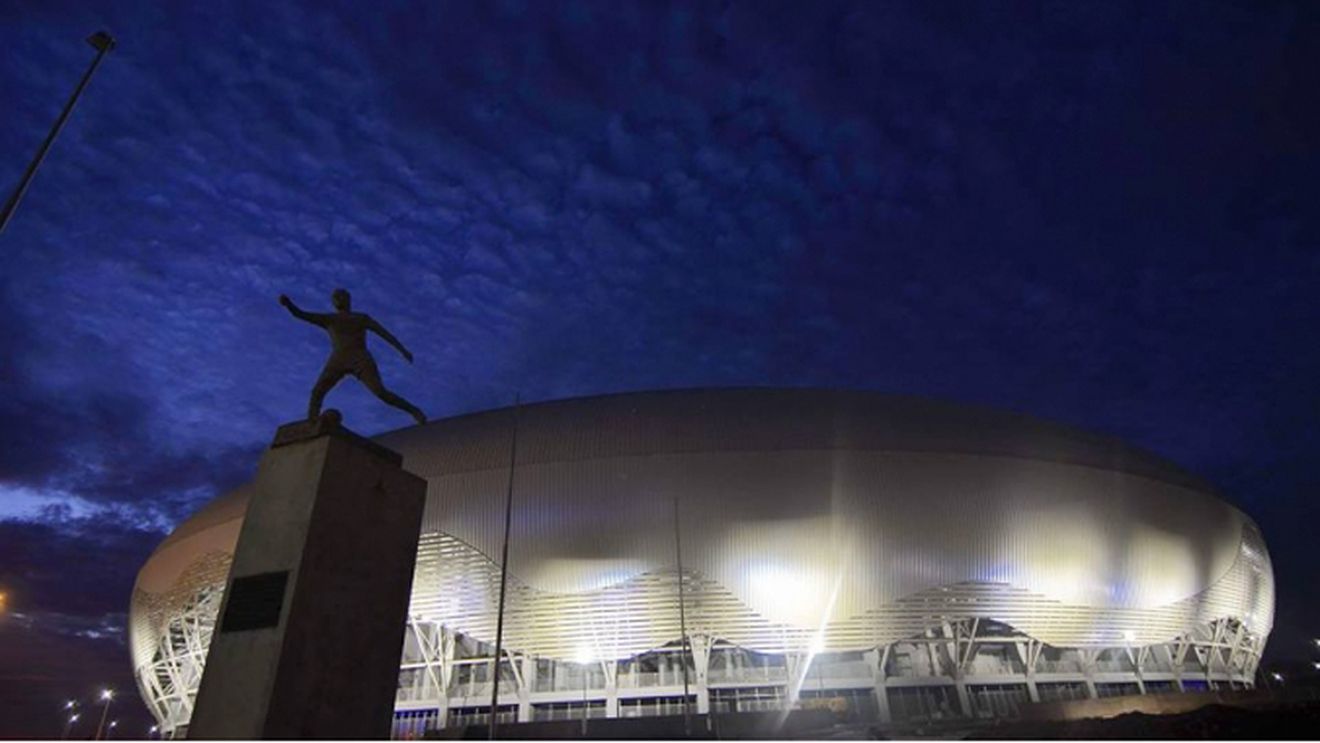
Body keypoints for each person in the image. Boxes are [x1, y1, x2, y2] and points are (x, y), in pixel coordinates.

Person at [279, 288, 427, 424]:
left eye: (340, 296)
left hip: (360, 358)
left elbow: (384, 333)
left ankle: (414, 410)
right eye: (334, 297)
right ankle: (311, 423)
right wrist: (289, 304)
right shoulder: (328, 319)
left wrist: (402, 350)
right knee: (318, 391)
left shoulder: (360, 318)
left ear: (348, 299)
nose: (337, 299)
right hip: (338, 359)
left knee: (380, 392)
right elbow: (302, 314)